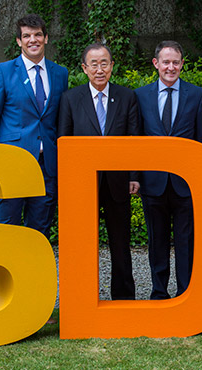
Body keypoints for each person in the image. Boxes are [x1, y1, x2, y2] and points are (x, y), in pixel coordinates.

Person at [0, 14, 68, 298]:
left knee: (38, 237)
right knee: (5, 236)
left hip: (46, 168)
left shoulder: (60, 74)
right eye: (27, 36)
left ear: (46, 38)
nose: (33, 40)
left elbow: (60, 121)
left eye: (38, 35)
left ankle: (34, 302)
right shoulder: (2, 72)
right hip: (10, 168)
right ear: (19, 41)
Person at [58, 43, 140, 300]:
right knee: (82, 244)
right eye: (94, 64)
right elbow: (64, 142)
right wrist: (69, 181)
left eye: (104, 63)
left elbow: (135, 140)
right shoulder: (71, 99)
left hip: (118, 182)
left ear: (112, 66)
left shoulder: (127, 97)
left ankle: (124, 297)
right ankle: (82, 298)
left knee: (120, 243)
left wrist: (134, 175)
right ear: (84, 68)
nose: (100, 69)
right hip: (84, 183)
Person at [134, 40, 202, 299]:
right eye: (166, 62)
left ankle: (186, 293)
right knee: (157, 241)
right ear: (156, 64)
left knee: (186, 242)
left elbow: (201, 142)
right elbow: (136, 140)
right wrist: (134, 177)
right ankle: (158, 292)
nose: (170, 67)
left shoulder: (197, 95)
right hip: (152, 182)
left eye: (175, 62)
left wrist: (200, 180)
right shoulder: (140, 95)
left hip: (185, 184)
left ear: (182, 64)